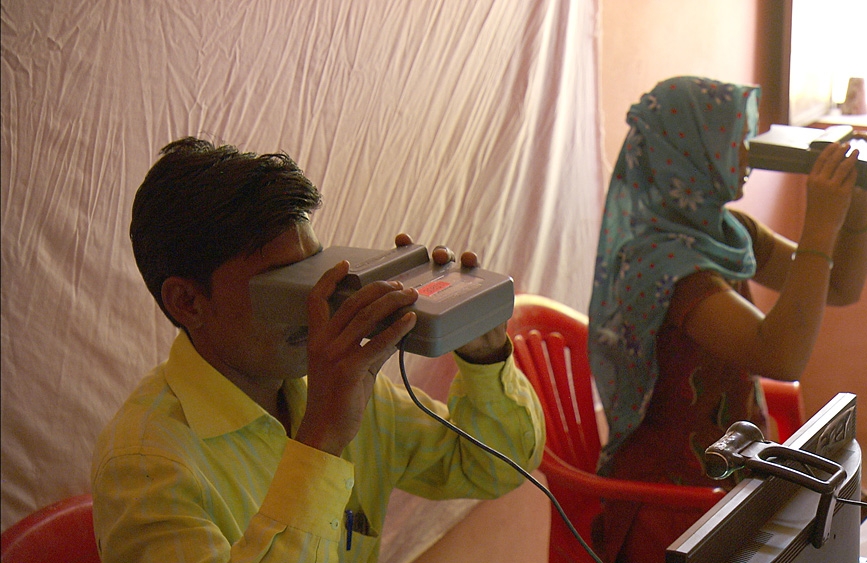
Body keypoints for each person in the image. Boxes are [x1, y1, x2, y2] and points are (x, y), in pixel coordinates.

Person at [91, 137, 544, 562]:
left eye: (314, 269)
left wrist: (483, 350)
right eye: (285, 284)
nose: (317, 305)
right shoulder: (146, 466)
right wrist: (321, 442)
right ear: (188, 302)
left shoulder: (329, 386)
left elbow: (493, 469)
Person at [587, 76, 867, 562]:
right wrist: (820, 225)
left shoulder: (723, 231)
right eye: (733, 143)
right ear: (688, 154)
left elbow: (841, 285)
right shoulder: (664, 266)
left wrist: (858, 203)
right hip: (675, 501)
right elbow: (782, 357)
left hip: (735, 462)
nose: (746, 157)